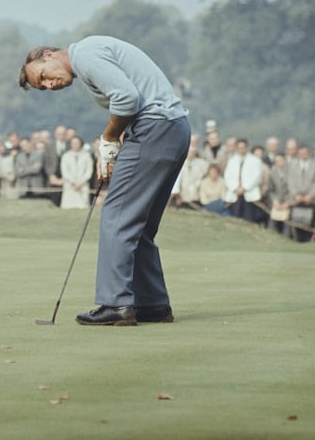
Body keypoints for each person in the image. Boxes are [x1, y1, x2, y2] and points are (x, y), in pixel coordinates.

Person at [19, 36, 189, 326]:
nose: (49, 85)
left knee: (116, 216)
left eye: (44, 77)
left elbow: (127, 98)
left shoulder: (84, 54)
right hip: (173, 129)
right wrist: (113, 144)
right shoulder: (89, 60)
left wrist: (108, 138)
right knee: (140, 224)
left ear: (48, 55)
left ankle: (117, 304)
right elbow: (129, 101)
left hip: (153, 128)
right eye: (43, 87)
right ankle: (152, 304)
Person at [59, 136, 92, 209]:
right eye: (73, 143)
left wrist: (81, 182)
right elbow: (65, 172)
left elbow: (89, 172)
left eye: (77, 143)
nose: (75, 145)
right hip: (70, 186)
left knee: (83, 207)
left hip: (82, 186)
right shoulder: (66, 156)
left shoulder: (87, 156)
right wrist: (73, 182)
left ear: (81, 144)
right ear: (70, 144)